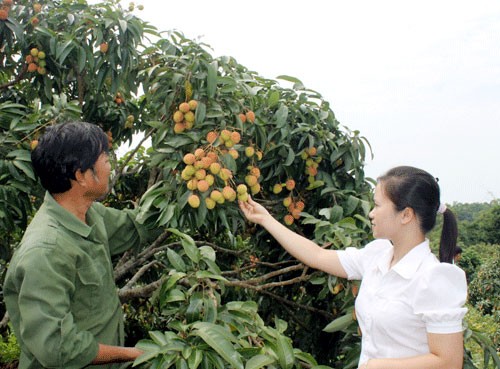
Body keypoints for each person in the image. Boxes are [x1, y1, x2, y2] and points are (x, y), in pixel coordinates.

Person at [239, 166, 467, 369]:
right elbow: (317, 255)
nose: (371, 213)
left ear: (406, 215)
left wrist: (379, 366)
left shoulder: (433, 278)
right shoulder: (377, 255)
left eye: (377, 205)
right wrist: (266, 219)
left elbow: (448, 361)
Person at [3, 121, 151, 368]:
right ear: (81, 176)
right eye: (104, 158)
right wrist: (129, 354)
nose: (109, 165)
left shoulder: (90, 214)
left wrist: (184, 196)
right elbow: (57, 347)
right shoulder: (45, 251)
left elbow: (134, 227)